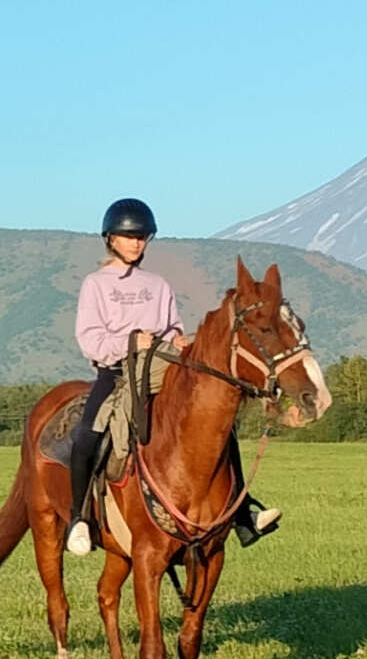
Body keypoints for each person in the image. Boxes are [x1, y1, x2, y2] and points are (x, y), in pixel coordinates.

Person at [65, 198, 280, 556]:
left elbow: (172, 328)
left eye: (141, 237)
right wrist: (131, 341)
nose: (135, 243)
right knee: (88, 433)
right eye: (126, 236)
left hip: (163, 369)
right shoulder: (95, 284)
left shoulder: (158, 284)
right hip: (117, 370)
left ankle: (242, 515)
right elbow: (90, 338)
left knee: (216, 426)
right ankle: (80, 519)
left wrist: (178, 339)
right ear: (110, 239)